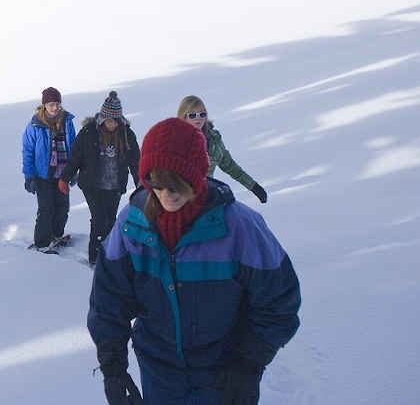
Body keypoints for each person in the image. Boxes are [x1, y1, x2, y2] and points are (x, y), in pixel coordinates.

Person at [88, 118, 301, 405]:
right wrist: (113, 366)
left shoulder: (239, 227)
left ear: (197, 176)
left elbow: (279, 301)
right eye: (156, 182)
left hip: (223, 376)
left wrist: (248, 364)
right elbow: (108, 299)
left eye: (176, 184)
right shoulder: (132, 225)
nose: (166, 194)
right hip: (159, 374)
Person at [59, 91, 140, 266]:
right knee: (98, 219)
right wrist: (64, 178)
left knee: (110, 220)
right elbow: (75, 158)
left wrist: (140, 183)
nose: (112, 124)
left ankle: (109, 256)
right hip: (92, 185)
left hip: (115, 185)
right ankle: (95, 258)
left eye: (115, 121)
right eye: (109, 120)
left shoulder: (126, 134)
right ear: (103, 118)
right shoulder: (89, 132)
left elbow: (135, 161)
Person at [178, 95, 267, 204]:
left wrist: (253, 186)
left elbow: (229, 165)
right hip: (181, 198)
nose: (198, 118)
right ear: (183, 117)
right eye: (192, 115)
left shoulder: (214, 140)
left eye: (202, 114)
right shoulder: (176, 140)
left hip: (206, 195)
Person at [22, 87, 77, 253]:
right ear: (44, 105)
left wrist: (73, 171)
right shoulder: (35, 125)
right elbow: (28, 151)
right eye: (51, 104)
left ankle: (56, 234)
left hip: (62, 173)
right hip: (42, 175)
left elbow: (74, 147)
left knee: (63, 208)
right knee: (46, 209)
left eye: (57, 104)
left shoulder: (67, 121)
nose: (55, 107)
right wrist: (29, 176)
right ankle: (41, 242)